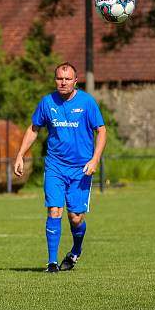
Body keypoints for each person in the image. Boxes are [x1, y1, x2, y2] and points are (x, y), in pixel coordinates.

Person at [13, 62, 107, 273]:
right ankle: (52, 263)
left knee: (75, 217)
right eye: (59, 78)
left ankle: (76, 250)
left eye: (67, 79)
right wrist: (20, 154)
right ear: (55, 80)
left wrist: (95, 160)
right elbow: (34, 128)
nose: (63, 82)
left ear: (75, 81)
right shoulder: (47, 103)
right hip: (55, 167)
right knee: (54, 210)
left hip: (81, 169)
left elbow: (101, 131)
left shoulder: (87, 103)